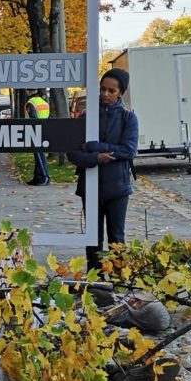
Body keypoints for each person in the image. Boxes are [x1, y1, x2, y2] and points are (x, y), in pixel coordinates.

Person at [68, 69, 139, 271]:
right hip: (90, 187)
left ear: (120, 93)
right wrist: (96, 158)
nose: (105, 94)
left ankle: (119, 278)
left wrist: (93, 146)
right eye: (102, 89)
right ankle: (96, 278)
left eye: (111, 91)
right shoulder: (86, 117)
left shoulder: (128, 118)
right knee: (93, 238)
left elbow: (129, 150)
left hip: (117, 188)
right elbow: (72, 153)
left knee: (117, 238)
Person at [23, 90, 51, 185]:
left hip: (35, 132)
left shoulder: (31, 103)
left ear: (28, 91)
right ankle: (37, 177)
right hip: (44, 130)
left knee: (39, 155)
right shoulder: (44, 102)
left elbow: (33, 120)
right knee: (38, 155)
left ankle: (44, 177)